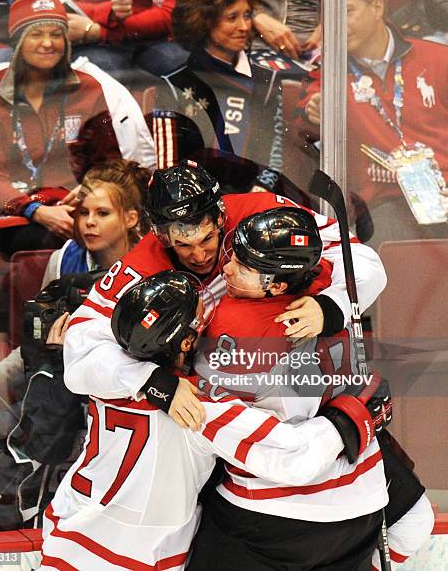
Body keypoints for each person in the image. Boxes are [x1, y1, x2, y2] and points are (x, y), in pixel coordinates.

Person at [40, 269, 390, 570]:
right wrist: (356, 410)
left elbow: (87, 351)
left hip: (66, 536)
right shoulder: (197, 407)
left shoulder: (114, 376)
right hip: (140, 557)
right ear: (188, 340)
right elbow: (294, 459)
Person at [189, 206, 434, 570]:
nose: (225, 270)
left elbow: (203, 410)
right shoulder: (329, 287)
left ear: (278, 284)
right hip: (359, 493)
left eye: (242, 267)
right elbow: (366, 268)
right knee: (416, 518)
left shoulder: (234, 328)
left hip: (268, 507)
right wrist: (333, 310)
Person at [63, 161, 387, 432]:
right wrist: (152, 381)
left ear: (220, 216)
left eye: (207, 238)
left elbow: (362, 259)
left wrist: (331, 306)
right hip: (210, 402)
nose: (200, 255)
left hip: (298, 379)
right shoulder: (142, 265)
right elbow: (79, 349)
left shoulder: (258, 213)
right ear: (163, 236)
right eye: (184, 245)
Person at [0, 159, 151, 529]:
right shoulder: (66, 261)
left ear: (129, 218)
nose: (89, 222)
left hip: (127, 406)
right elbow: (32, 350)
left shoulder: (153, 270)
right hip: (60, 401)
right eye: (83, 213)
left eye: (102, 213)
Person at [298, 0, 448, 248]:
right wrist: (312, 109)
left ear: (377, 7)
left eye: (347, 11)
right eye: (328, 15)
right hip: (386, 206)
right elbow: (306, 109)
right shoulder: (327, 74)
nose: (337, 24)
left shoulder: (438, 60)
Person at [0, 0, 121, 255]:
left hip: (76, 208)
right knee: (39, 238)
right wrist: (36, 210)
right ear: (18, 41)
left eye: (56, 34)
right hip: (9, 212)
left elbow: (108, 164)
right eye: (36, 34)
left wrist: (88, 194)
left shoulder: (88, 88)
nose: (48, 43)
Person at [155, 0, 285, 173]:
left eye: (248, 16)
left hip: (257, 199)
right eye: (232, 17)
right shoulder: (174, 85)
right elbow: (168, 171)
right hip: (197, 201)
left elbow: (275, 158)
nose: (244, 27)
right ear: (204, 21)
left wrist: (258, 195)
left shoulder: (267, 80)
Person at [41, 0, 190, 75]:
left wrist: (100, 32)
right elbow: (59, 6)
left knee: (180, 64)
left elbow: (172, 13)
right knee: (105, 68)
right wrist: (108, 12)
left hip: (154, 38)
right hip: (88, 43)